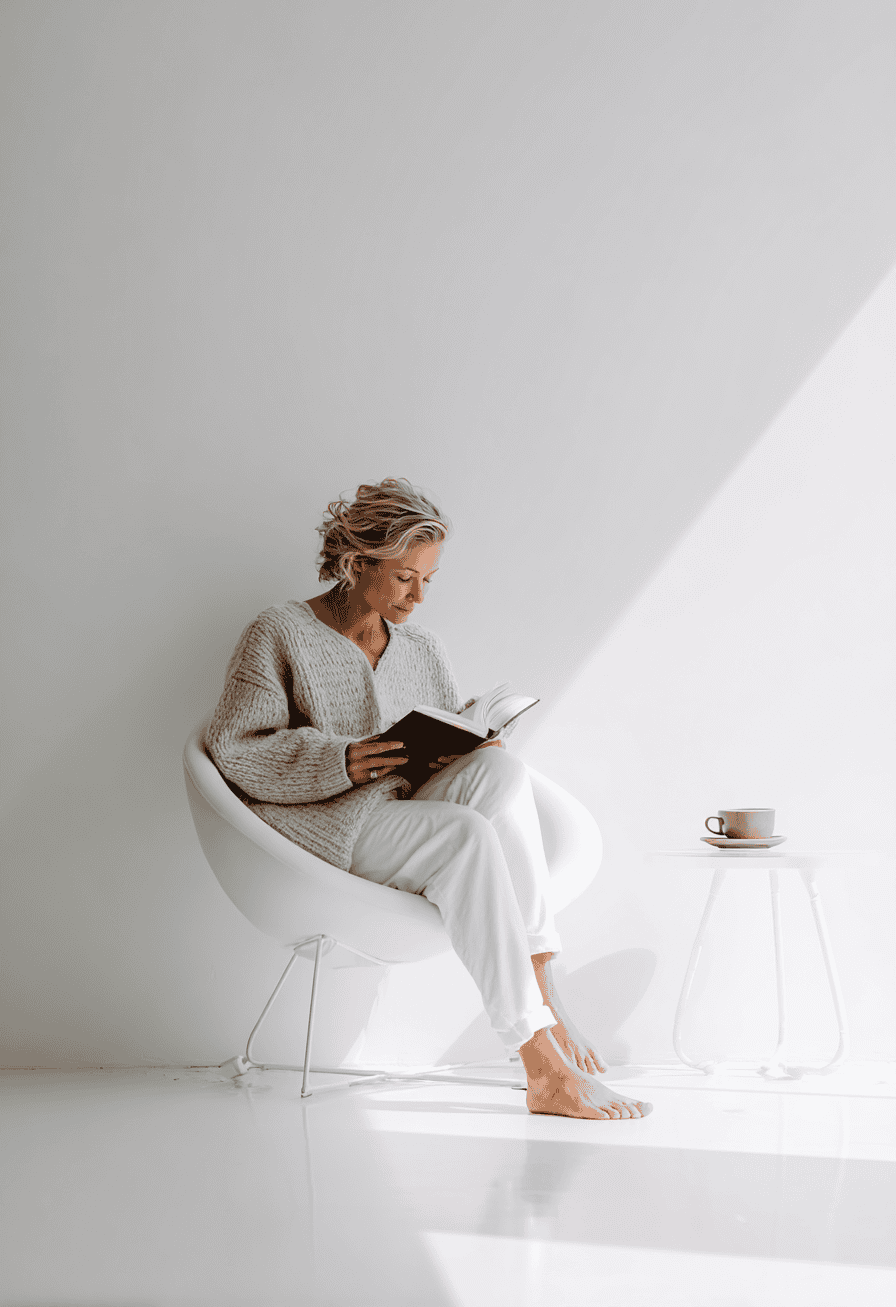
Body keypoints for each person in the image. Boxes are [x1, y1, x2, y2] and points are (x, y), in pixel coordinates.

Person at [207, 477, 651, 1120]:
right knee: (464, 836)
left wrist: (475, 745)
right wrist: (343, 758)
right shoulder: (278, 632)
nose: (417, 596)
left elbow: (438, 738)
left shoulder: (420, 648)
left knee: (502, 777)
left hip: (402, 811)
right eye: (404, 578)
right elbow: (236, 747)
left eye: (428, 580)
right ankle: (539, 1062)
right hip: (326, 822)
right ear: (357, 562)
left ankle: (546, 992)